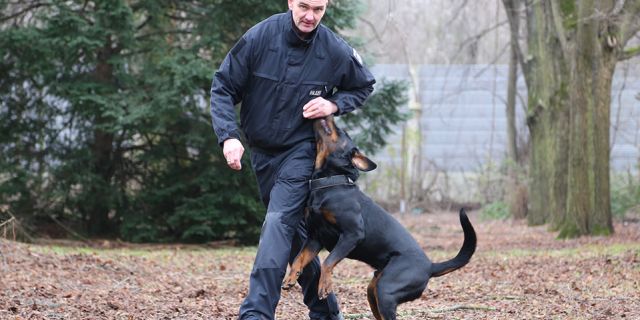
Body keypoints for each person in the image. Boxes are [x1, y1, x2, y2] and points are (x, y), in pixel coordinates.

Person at [210, 0, 375, 319]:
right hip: (262, 155)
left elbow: (363, 85)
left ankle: (256, 312)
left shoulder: (335, 50)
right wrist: (229, 135)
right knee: (292, 235)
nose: (310, 16)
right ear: (290, 2)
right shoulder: (259, 38)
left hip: (302, 152)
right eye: (304, 7)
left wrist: (333, 105)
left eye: (319, 9)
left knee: (278, 223)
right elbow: (223, 87)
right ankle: (326, 312)